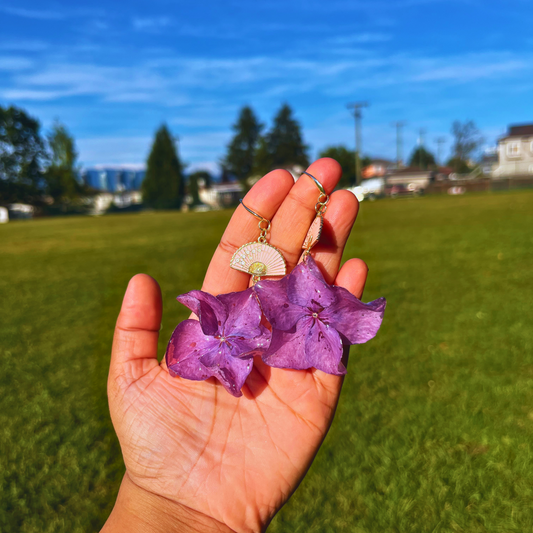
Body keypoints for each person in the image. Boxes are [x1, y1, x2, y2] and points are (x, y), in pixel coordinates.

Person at [102, 158, 370, 532]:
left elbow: (271, 322)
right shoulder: (251, 327)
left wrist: (157, 506)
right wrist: (159, 502)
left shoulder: (282, 306)